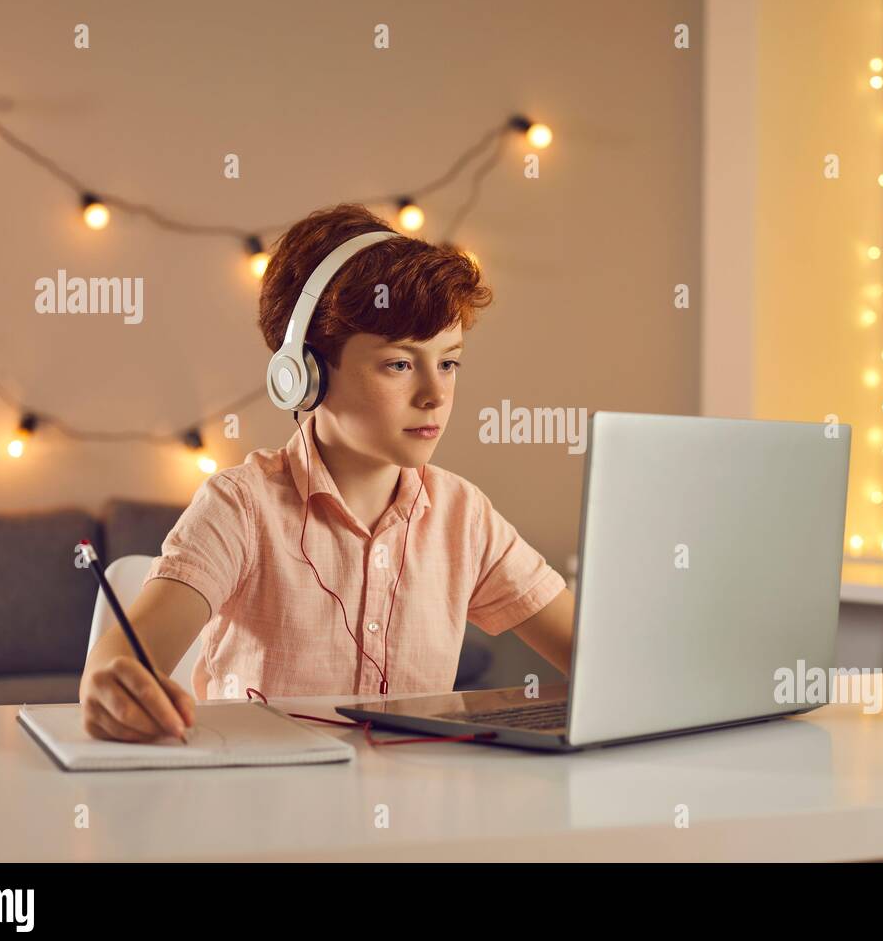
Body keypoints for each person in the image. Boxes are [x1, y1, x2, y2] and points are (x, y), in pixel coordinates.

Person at [79, 203, 574, 742]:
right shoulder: (241, 507)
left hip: (418, 813)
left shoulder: (465, 518)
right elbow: (117, 666)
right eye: (400, 364)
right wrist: (113, 688)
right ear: (305, 376)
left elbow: (600, 661)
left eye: (448, 362)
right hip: (264, 810)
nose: (435, 395)